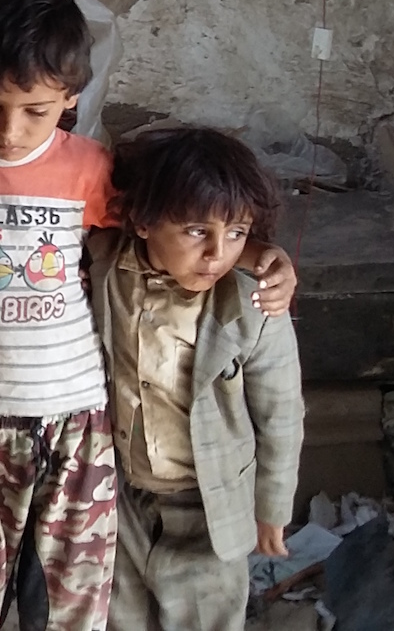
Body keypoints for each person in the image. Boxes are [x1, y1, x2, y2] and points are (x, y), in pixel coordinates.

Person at [0, 0, 296, 631]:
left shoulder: (89, 168)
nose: (8, 130)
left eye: (35, 110)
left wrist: (253, 251)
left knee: (67, 596)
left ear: (69, 99)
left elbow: (170, 221)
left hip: (74, 421)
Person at [93, 128, 303, 631]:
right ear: (142, 222)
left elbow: (281, 413)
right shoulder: (103, 265)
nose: (217, 254)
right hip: (121, 501)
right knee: (116, 618)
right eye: (195, 231)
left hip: (209, 510)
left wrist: (272, 508)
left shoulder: (255, 306)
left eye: (236, 233)